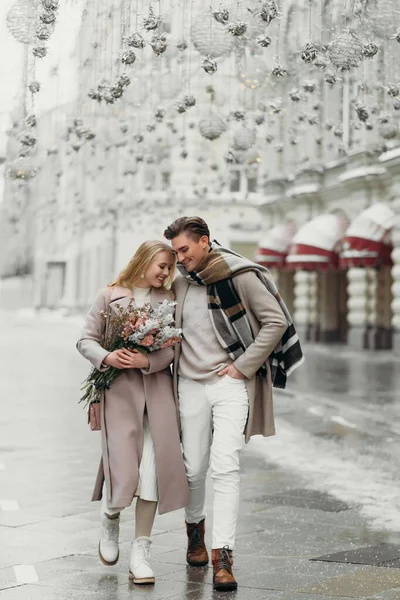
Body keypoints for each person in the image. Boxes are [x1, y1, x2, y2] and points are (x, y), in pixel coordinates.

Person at [164, 217, 303, 592]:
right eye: (175, 252)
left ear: (205, 242)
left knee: (226, 467)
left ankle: (222, 555)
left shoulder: (240, 275)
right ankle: (195, 531)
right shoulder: (179, 283)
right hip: (190, 385)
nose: (179, 258)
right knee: (193, 468)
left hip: (229, 386)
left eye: (184, 250)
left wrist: (242, 368)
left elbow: (274, 322)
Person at [77, 240, 190, 584]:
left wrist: (148, 360)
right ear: (143, 261)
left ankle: (141, 551)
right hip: (119, 396)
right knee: (124, 469)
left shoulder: (169, 301)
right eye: (162, 266)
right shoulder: (108, 296)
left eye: (170, 268)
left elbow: (173, 350)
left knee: (152, 473)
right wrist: (108, 357)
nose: (166, 273)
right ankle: (110, 519)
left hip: (157, 395)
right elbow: (86, 340)